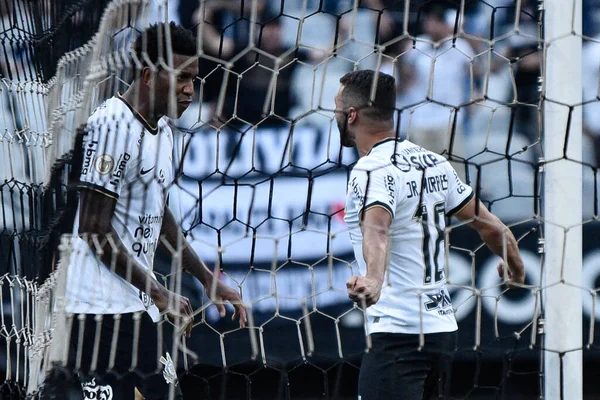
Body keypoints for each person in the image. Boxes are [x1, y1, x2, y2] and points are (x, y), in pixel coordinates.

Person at [43, 22, 247, 400]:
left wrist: (204, 277)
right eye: (182, 77)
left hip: (137, 309)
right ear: (149, 75)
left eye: (194, 79)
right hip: (97, 316)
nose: (190, 89)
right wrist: (157, 290)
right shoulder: (112, 124)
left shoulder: (163, 130)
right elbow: (93, 227)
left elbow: (159, 210)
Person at [335, 69, 525, 400]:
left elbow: (377, 227)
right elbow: (490, 225)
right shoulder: (432, 161)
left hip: (399, 334)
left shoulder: (371, 170)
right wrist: (516, 265)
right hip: (441, 332)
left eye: (337, 107)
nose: (334, 114)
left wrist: (375, 280)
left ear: (351, 115)